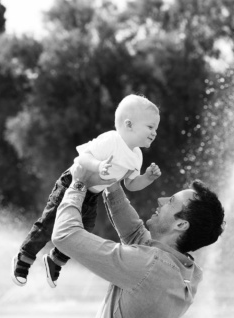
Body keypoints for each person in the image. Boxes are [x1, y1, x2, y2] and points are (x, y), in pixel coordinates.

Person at [51, 161, 226, 318]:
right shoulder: (187, 273)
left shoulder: (149, 265)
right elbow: (135, 233)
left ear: (180, 224)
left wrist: (78, 184)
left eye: (171, 201)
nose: (161, 200)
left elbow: (65, 235)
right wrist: (112, 182)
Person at [11, 94, 161, 288]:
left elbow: (130, 184)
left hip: (92, 194)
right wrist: (98, 166)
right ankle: (24, 258)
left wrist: (147, 178)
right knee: (49, 223)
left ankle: (54, 260)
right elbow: (82, 159)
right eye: (150, 127)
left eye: (156, 128)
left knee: (84, 231)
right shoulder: (111, 140)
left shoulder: (136, 156)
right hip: (71, 183)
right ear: (129, 125)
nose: (154, 132)